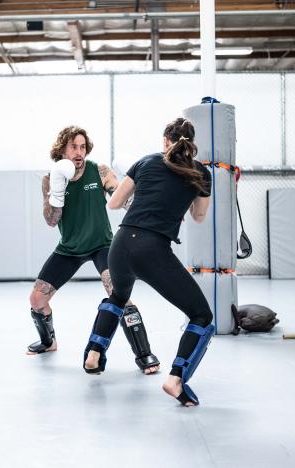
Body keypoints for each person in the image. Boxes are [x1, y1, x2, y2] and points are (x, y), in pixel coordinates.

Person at [82, 118, 214, 406]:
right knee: (202, 316)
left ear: (166, 140)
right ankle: (176, 378)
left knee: (118, 296)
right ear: (191, 145)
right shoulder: (200, 173)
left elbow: (113, 203)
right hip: (152, 249)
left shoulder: (146, 162)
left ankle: (93, 355)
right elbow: (199, 217)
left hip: (121, 245)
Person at [27, 125, 160, 375]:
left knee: (117, 292)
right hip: (69, 248)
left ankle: (144, 353)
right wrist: (57, 190)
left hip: (102, 244)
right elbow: (51, 220)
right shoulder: (51, 177)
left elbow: (122, 200)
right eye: (73, 147)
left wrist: (149, 206)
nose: (79, 152)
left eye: (82, 147)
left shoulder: (98, 171)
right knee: (37, 299)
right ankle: (48, 342)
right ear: (62, 150)